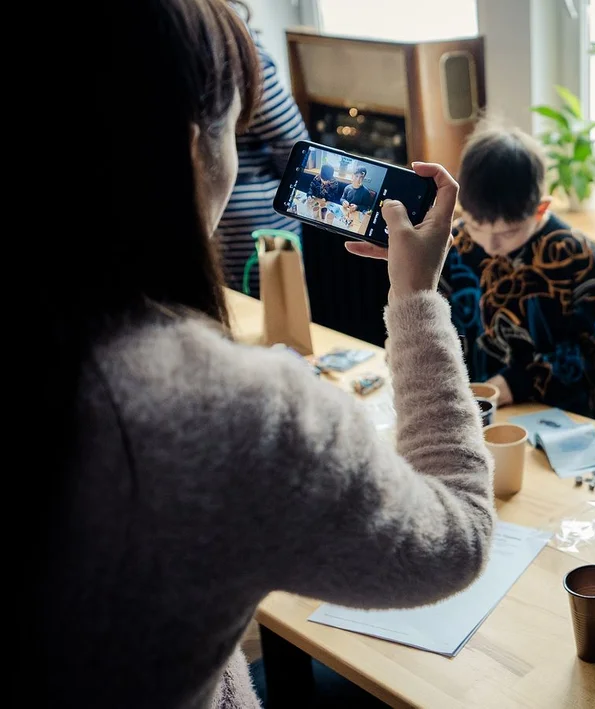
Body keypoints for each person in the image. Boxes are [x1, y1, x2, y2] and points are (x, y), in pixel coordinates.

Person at [41, 2, 494, 708]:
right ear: (195, 150)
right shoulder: (237, 411)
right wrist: (415, 296)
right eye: (236, 124)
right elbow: (457, 537)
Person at [439, 124, 595, 420]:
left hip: (555, 415)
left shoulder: (575, 256)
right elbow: (431, 317)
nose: (489, 245)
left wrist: (514, 384)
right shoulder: (455, 242)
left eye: (508, 233)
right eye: (475, 226)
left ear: (540, 210)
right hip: (465, 411)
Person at [218, 1, 309, 295]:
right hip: (249, 215)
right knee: (269, 327)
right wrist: (287, 186)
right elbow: (291, 140)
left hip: (199, 215)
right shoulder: (228, 37)